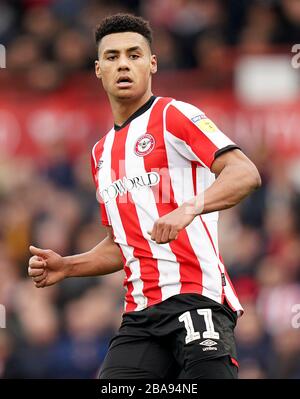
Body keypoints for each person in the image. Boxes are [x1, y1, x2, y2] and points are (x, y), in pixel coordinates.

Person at [28, 13, 262, 379]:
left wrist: (189, 208)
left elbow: (245, 173)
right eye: (112, 56)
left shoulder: (175, 115)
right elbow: (122, 244)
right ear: (98, 69)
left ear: (152, 64)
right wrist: (69, 266)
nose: (123, 63)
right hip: (140, 316)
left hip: (196, 301)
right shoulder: (100, 154)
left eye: (134, 55)